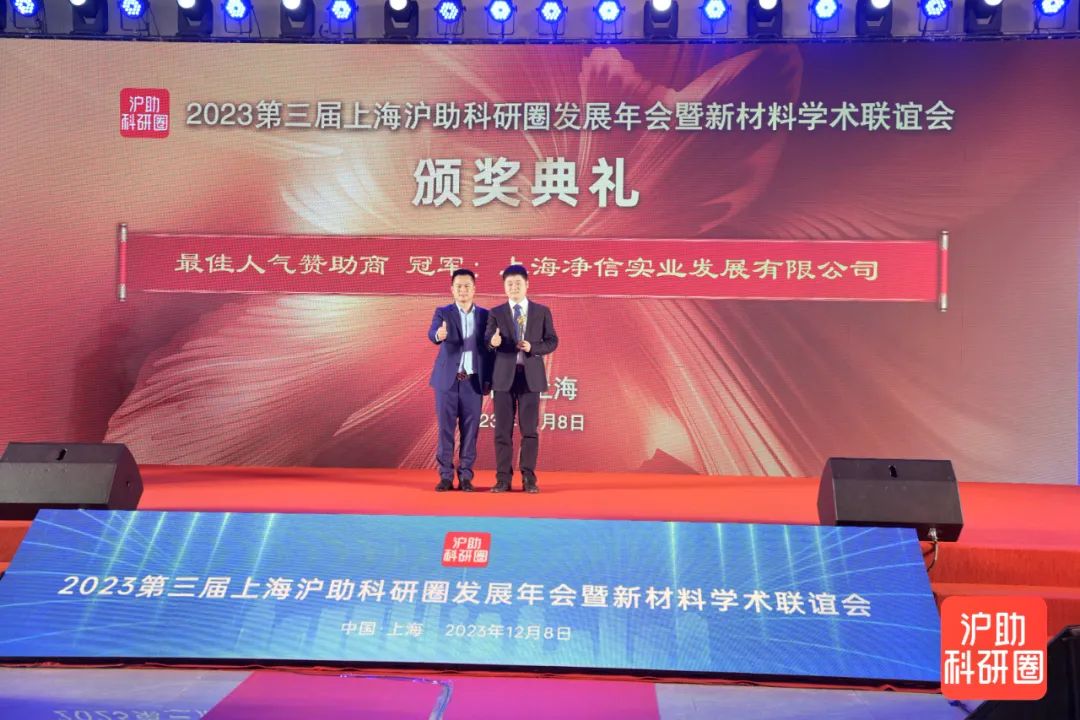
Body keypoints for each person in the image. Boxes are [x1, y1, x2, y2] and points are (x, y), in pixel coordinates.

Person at [484, 264, 559, 493]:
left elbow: (552, 341)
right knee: (502, 431)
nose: (514, 287)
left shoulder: (541, 311)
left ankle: (529, 478)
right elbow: (487, 340)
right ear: (504, 287)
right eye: (509, 284)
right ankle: (503, 479)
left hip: (530, 377)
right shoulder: (496, 313)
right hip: (503, 378)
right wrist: (493, 342)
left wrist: (532, 347)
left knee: (529, 430)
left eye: (518, 283)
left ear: (527, 284)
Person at [428, 269, 492, 492]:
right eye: (459, 286)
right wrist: (439, 335)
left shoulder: (485, 315)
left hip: (472, 382)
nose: (463, 290)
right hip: (447, 381)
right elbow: (432, 333)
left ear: (474, 289)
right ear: (452, 289)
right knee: (445, 429)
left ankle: (466, 476)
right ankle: (445, 476)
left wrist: (493, 345)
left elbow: (488, 349)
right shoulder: (443, 312)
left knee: (470, 431)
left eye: (467, 286)